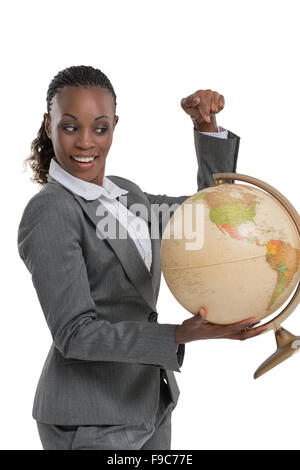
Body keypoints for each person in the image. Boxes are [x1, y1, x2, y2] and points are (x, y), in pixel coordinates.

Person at [17, 65, 266, 451]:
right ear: (48, 126)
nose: (86, 142)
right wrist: (178, 335)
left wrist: (206, 130)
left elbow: (205, 215)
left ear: (114, 125)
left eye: (99, 127)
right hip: (89, 421)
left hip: (149, 404)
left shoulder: (125, 197)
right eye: (70, 126)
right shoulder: (51, 211)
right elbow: (75, 333)